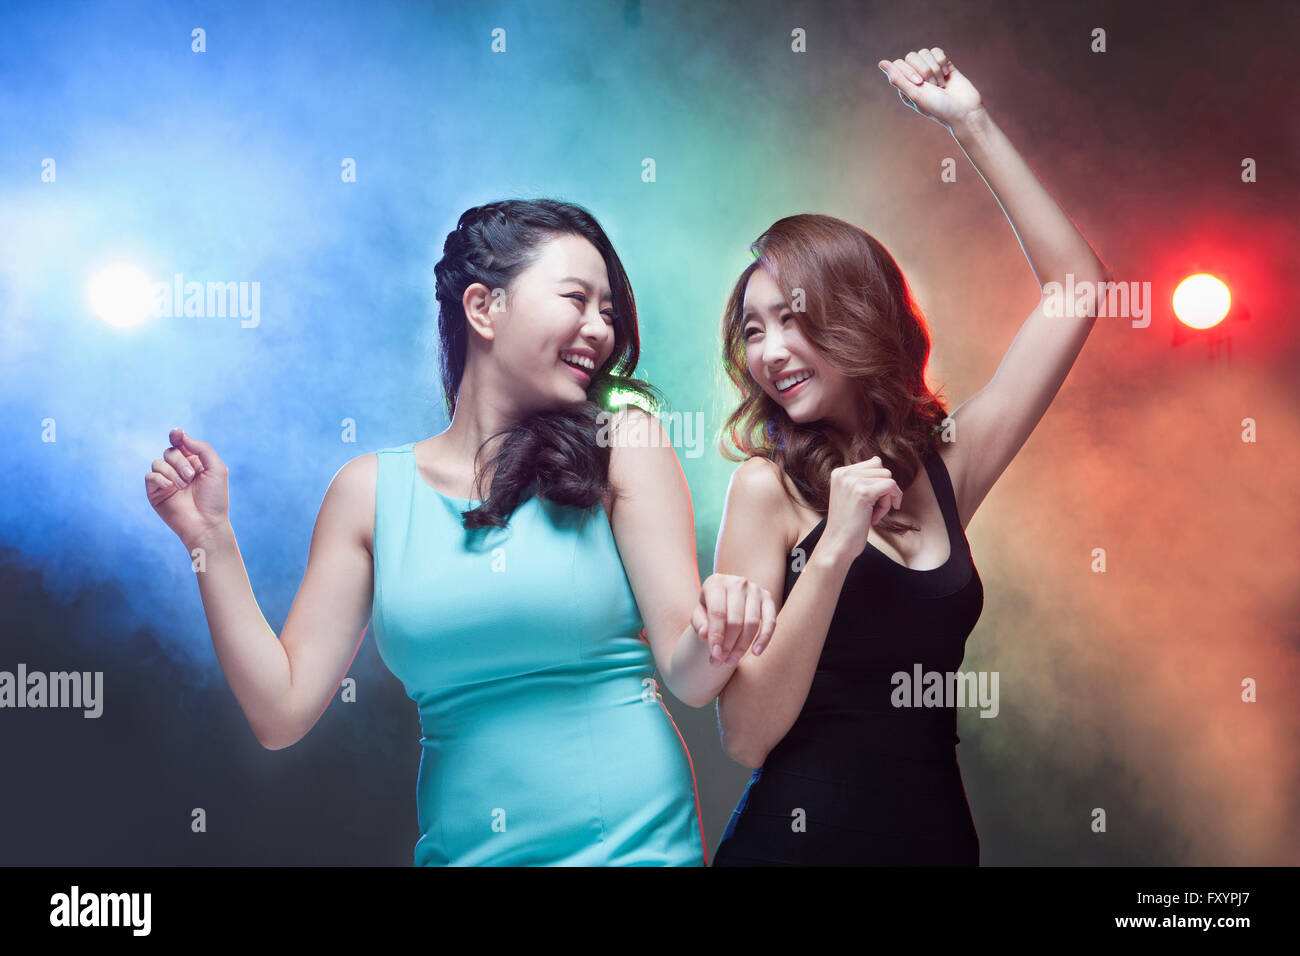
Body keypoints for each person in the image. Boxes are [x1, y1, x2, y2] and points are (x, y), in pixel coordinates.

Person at [146, 199, 777, 866]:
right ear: (483, 309)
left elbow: (689, 674)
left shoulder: (623, 444)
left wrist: (723, 627)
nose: (599, 329)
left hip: (631, 850)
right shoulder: (368, 494)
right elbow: (280, 712)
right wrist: (209, 536)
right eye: (576, 299)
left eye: (609, 312)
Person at [710, 47, 1111, 865]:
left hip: (935, 842)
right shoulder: (767, 491)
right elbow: (747, 737)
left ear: (860, 318)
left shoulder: (946, 468)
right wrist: (832, 553)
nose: (770, 350)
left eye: (791, 318)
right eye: (752, 330)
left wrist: (969, 121)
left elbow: (1078, 291)